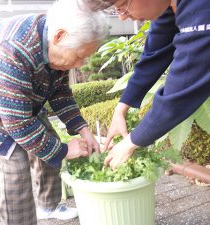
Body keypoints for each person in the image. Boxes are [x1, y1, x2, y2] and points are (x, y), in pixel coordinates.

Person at [0, 0, 109, 224]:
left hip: (20, 94)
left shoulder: (56, 44)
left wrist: (83, 129)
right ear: (59, 37)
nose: (80, 63)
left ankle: (48, 207)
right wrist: (65, 151)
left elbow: (60, 93)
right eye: (79, 56)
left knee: (49, 144)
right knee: (15, 162)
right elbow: (18, 124)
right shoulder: (12, 51)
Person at [79, 0, 210, 169]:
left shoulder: (199, 6)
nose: (121, 16)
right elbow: (154, 54)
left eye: (122, 6)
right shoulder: (167, 5)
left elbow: (185, 81)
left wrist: (131, 142)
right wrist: (121, 109)